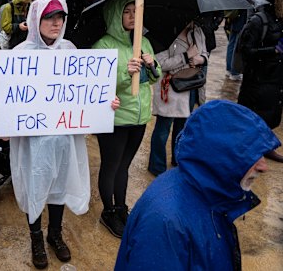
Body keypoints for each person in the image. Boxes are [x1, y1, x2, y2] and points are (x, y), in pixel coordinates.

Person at [0, 0, 119, 269]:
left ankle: (55, 235)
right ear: (37, 20)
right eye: (49, 17)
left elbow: (87, 91)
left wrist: (106, 102)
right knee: (36, 185)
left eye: (60, 16)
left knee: (59, 184)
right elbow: (7, 94)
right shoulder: (20, 53)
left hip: (64, 138)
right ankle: (36, 238)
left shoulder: (70, 50)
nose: (56, 22)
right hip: (33, 142)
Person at [115, 100, 280, 270]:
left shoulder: (209, 192)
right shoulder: (165, 224)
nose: (264, 167)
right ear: (220, 154)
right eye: (251, 154)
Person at [92, 0, 161, 238]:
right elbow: (96, 86)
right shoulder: (103, 46)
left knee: (125, 166)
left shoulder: (143, 41)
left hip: (139, 117)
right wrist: (125, 73)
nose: (133, 17)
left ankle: (121, 208)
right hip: (115, 119)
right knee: (111, 166)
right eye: (127, 11)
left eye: (136, 11)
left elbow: (155, 77)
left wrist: (152, 65)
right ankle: (108, 211)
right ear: (115, 15)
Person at [149, 21, 208, 176]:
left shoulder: (197, 30)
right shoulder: (163, 33)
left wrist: (200, 59)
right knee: (163, 130)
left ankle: (178, 161)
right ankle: (157, 166)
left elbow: (205, 53)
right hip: (170, 89)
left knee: (183, 129)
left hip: (190, 87)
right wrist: (185, 56)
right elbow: (159, 63)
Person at [238, 0, 283, 163]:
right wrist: (273, 50)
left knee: (271, 114)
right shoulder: (258, 21)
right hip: (258, 80)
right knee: (254, 117)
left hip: (276, 77)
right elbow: (246, 51)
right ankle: (249, 152)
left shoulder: (280, 20)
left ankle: (266, 146)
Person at [226, 0, 257, 80]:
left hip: (233, 19)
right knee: (238, 47)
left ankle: (229, 68)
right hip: (245, 20)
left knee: (231, 44)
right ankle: (235, 72)